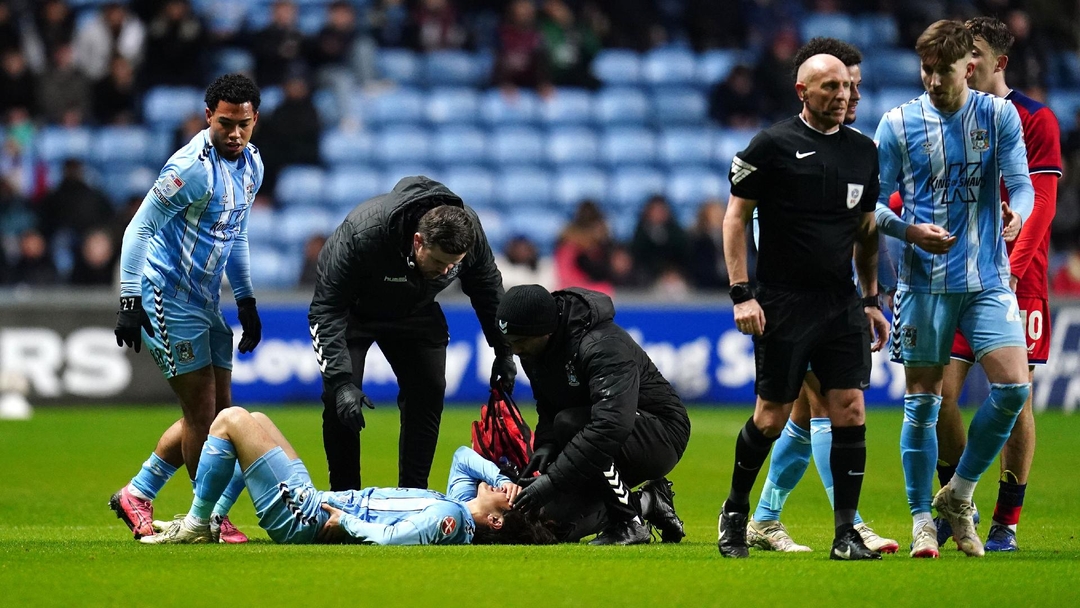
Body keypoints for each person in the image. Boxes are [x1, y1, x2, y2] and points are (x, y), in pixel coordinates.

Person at [716, 52, 888, 561]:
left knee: (850, 409)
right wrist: (742, 293)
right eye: (830, 87)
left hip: (840, 302)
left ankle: (844, 535)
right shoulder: (771, 145)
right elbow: (734, 219)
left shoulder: (863, 151)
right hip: (782, 302)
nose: (842, 95)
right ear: (802, 92)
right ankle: (736, 511)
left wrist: (872, 299)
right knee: (769, 418)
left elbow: (866, 231)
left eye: (846, 87)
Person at [874, 20, 1034, 559]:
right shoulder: (897, 124)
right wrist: (909, 230)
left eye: (942, 71)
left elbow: (1023, 186)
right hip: (923, 283)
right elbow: (871, 204)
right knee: (922, 404)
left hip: (987, 276)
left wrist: (1016, 219)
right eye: (926, 70)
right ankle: (923, 519)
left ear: (969, 66)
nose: (933, 81)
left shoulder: (997, 115)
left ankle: (959, 493)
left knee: (1013, 388)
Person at [108, 74, 265, 544]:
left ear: (255, 120)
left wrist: (247, 297)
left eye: (243, 123)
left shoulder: (253, 165)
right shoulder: (190, 167)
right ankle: (208, 518)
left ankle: (139, 492)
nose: (234, 134)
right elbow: (138, 228)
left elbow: (234, 234)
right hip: (164, 294)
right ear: (207, 117)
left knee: (220, 414)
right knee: (203, 413)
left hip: (203, 298)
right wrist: (129, 299)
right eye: (225, 123)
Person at [933, 16, 1061, 553]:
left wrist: (1011, 269)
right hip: (954, 276)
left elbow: (1042, 205)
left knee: (1015, 398)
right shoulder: (945, 117)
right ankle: (956, 500)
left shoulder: (1035, 119)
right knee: (939, 394)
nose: (963, 62)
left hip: (1015, 278)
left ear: (998, 63)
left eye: (975, 54)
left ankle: (1006, 521)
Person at [308, 177, 515, 492]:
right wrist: (339, 383)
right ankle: (344, 497)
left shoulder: (468, 234)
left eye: (453, 266)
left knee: (429, 389)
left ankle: (414, 494)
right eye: (438, 262)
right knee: (341, 401)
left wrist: (504, 352)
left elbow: (488, 292)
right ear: (418, 241)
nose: (446, 272)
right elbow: (325, 311)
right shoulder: (363, 234)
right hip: (353, 311)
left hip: (415, 310)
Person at [142, 407, 554, 545]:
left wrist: (349, 523)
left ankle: (196, 523)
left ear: (496, 520)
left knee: (230, 420)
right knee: (257, 419)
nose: (505, 487)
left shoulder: (452, 518)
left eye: (510, 496)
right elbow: (464, 456)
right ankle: (214, 521)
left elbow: (395, 538)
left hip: (310, 515)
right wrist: (501, 474)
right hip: (315, 499)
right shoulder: (461, 504)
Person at [498, 284, 691, 545]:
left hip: (660, 433)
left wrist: (553, 481)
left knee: (570, 424)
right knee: (554, 524)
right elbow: (548, 403)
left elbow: (610, 425)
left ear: (546, 331)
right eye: (511, 343)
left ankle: (630, 524)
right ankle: (649, 502)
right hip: (595, 430)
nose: (516, 350)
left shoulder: (602, 345)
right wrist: (546, 446)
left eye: (520, 342)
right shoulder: (535, 348)